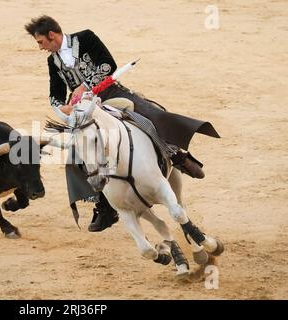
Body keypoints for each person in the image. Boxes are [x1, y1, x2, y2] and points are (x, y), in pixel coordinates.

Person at [24, 15, 220, 232]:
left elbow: (108, 64)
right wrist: (61, 107)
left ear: (52, 35)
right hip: (86, 110)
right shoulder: (53, 61)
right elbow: (55, 94)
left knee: (151, 114)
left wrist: (84, 86)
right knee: (77, 153)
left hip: (111, 93)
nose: (40, 47)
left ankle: (177, 155)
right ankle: (104, 206)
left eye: (41, 41)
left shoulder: (86, 37)